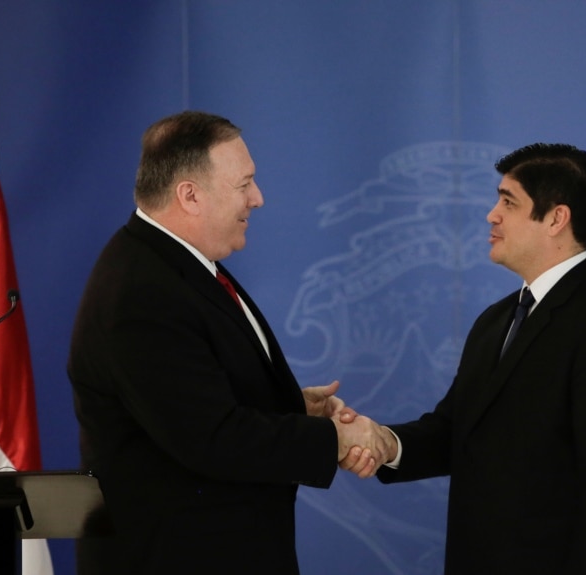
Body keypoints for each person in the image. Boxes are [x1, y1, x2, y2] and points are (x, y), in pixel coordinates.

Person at [68, 110, 386, 575]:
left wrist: (292, 407)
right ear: (190, 195)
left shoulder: (177, 264)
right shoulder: (142, 290)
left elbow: (193, 400)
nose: (258, 199)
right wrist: (335, 439)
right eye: (244, 184)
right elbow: (211, 438)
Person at [344, 143, 586, 574]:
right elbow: (456, 431)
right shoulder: (496, 320)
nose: (492, 215)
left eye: (508, 202)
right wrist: (385, 443)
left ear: (556, 219)